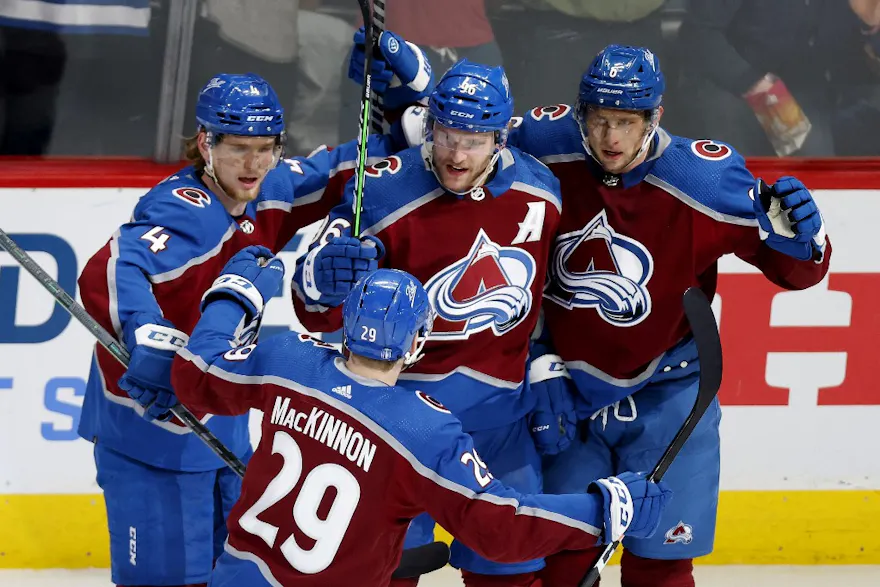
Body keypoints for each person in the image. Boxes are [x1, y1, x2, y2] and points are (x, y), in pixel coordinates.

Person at [356, 39, 833, 587]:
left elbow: (797, 271)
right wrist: (409, 92)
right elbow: (461, 132)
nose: (610, 138)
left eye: (627, 122)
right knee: (559, 558)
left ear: (656, 116)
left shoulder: (705, 180)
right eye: (600, 119)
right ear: (579, 112)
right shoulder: (546, 140)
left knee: (661, 562)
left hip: (668, 391)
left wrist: (807, 238)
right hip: (563, 392)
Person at [75, 70, 415, 587]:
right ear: (206, 143)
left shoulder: (270, 187)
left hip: (220, 414)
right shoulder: (184, 210)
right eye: (238, 149)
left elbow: (344, 169)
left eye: (266, 147)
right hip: (149, 428)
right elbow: (111, 265)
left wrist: (401, 116)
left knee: (238, 572)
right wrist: (147, 337)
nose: (254, 164)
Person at [172, 256, 674, 587]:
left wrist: (233, 296)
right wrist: (602, 510)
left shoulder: (287, 360)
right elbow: (499, 525)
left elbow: (196, 375)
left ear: (347, 323)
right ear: (416, 345)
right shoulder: (423, 431)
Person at [290, 60, 564, 587]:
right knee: (387, 574)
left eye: (475, 141)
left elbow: (557, 292)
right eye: (447, 136)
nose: (458, 155)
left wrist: (547, 361)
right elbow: (311, 305)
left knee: (510, 569)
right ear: (429, 126)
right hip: (392, 421)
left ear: (503, 137)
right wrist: (323, 279)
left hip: (499, 420)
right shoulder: (380, 188)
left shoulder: (543, 192)